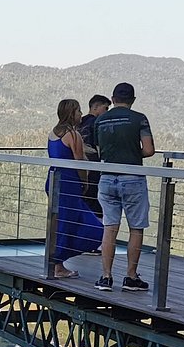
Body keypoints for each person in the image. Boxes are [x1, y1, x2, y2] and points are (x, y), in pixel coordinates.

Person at [93, 82, 155, 292]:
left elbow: (100, 151)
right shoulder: (139, 119)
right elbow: (149, 150)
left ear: (112, 99)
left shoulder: (100, 120)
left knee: (110, 227)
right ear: (133, 100)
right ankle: (131, 276)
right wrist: (132, 154)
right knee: (136, 228)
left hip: (107, 178)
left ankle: (106, 277)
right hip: (132, 177)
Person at [45, 99, 103, 278]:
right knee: (91, 227)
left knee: (62, 222)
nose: (81, 114)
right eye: (78, 111)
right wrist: (85, 182)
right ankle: (58, 264)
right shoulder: (73, 135)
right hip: (69, 182)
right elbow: (79, 162)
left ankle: (57, 263)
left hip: (54, 180)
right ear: (72, 113)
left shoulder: (53, 133)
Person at [78, 94, 111, 219]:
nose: (106, 112)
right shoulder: (97, 123)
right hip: (94, 168)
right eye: (105, 108)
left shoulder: (79, 123)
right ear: (96, 107)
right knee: (95, 201)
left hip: (80, 166)